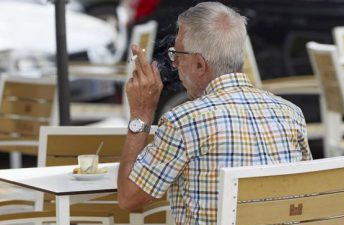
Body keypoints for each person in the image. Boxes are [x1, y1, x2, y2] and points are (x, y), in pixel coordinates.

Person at [117, 2, 312, 224]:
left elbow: (128, 197)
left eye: (177, 54)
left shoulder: (184, 122)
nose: (175, 64)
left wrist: (141, 115)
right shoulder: (291, 114)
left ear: (200, 64)